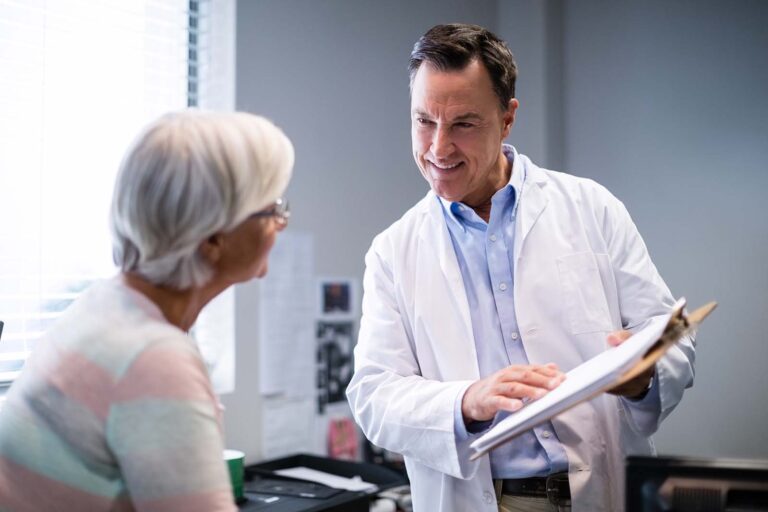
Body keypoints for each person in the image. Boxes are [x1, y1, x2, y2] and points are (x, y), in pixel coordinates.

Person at [346, 23, 695, 512]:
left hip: (600, 490)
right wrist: (466, 401)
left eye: (464, 124)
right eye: (424, 121)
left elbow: (670, 340)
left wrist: (640, 375)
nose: (438, 148)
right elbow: (374, 395)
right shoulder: (393, 251)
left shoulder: (591, 208)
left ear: (507, 119)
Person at [0, 110, 294, 511]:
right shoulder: (152, 357)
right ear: (213, 236)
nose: (281, 223)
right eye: (271, 208)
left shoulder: (101, 306)